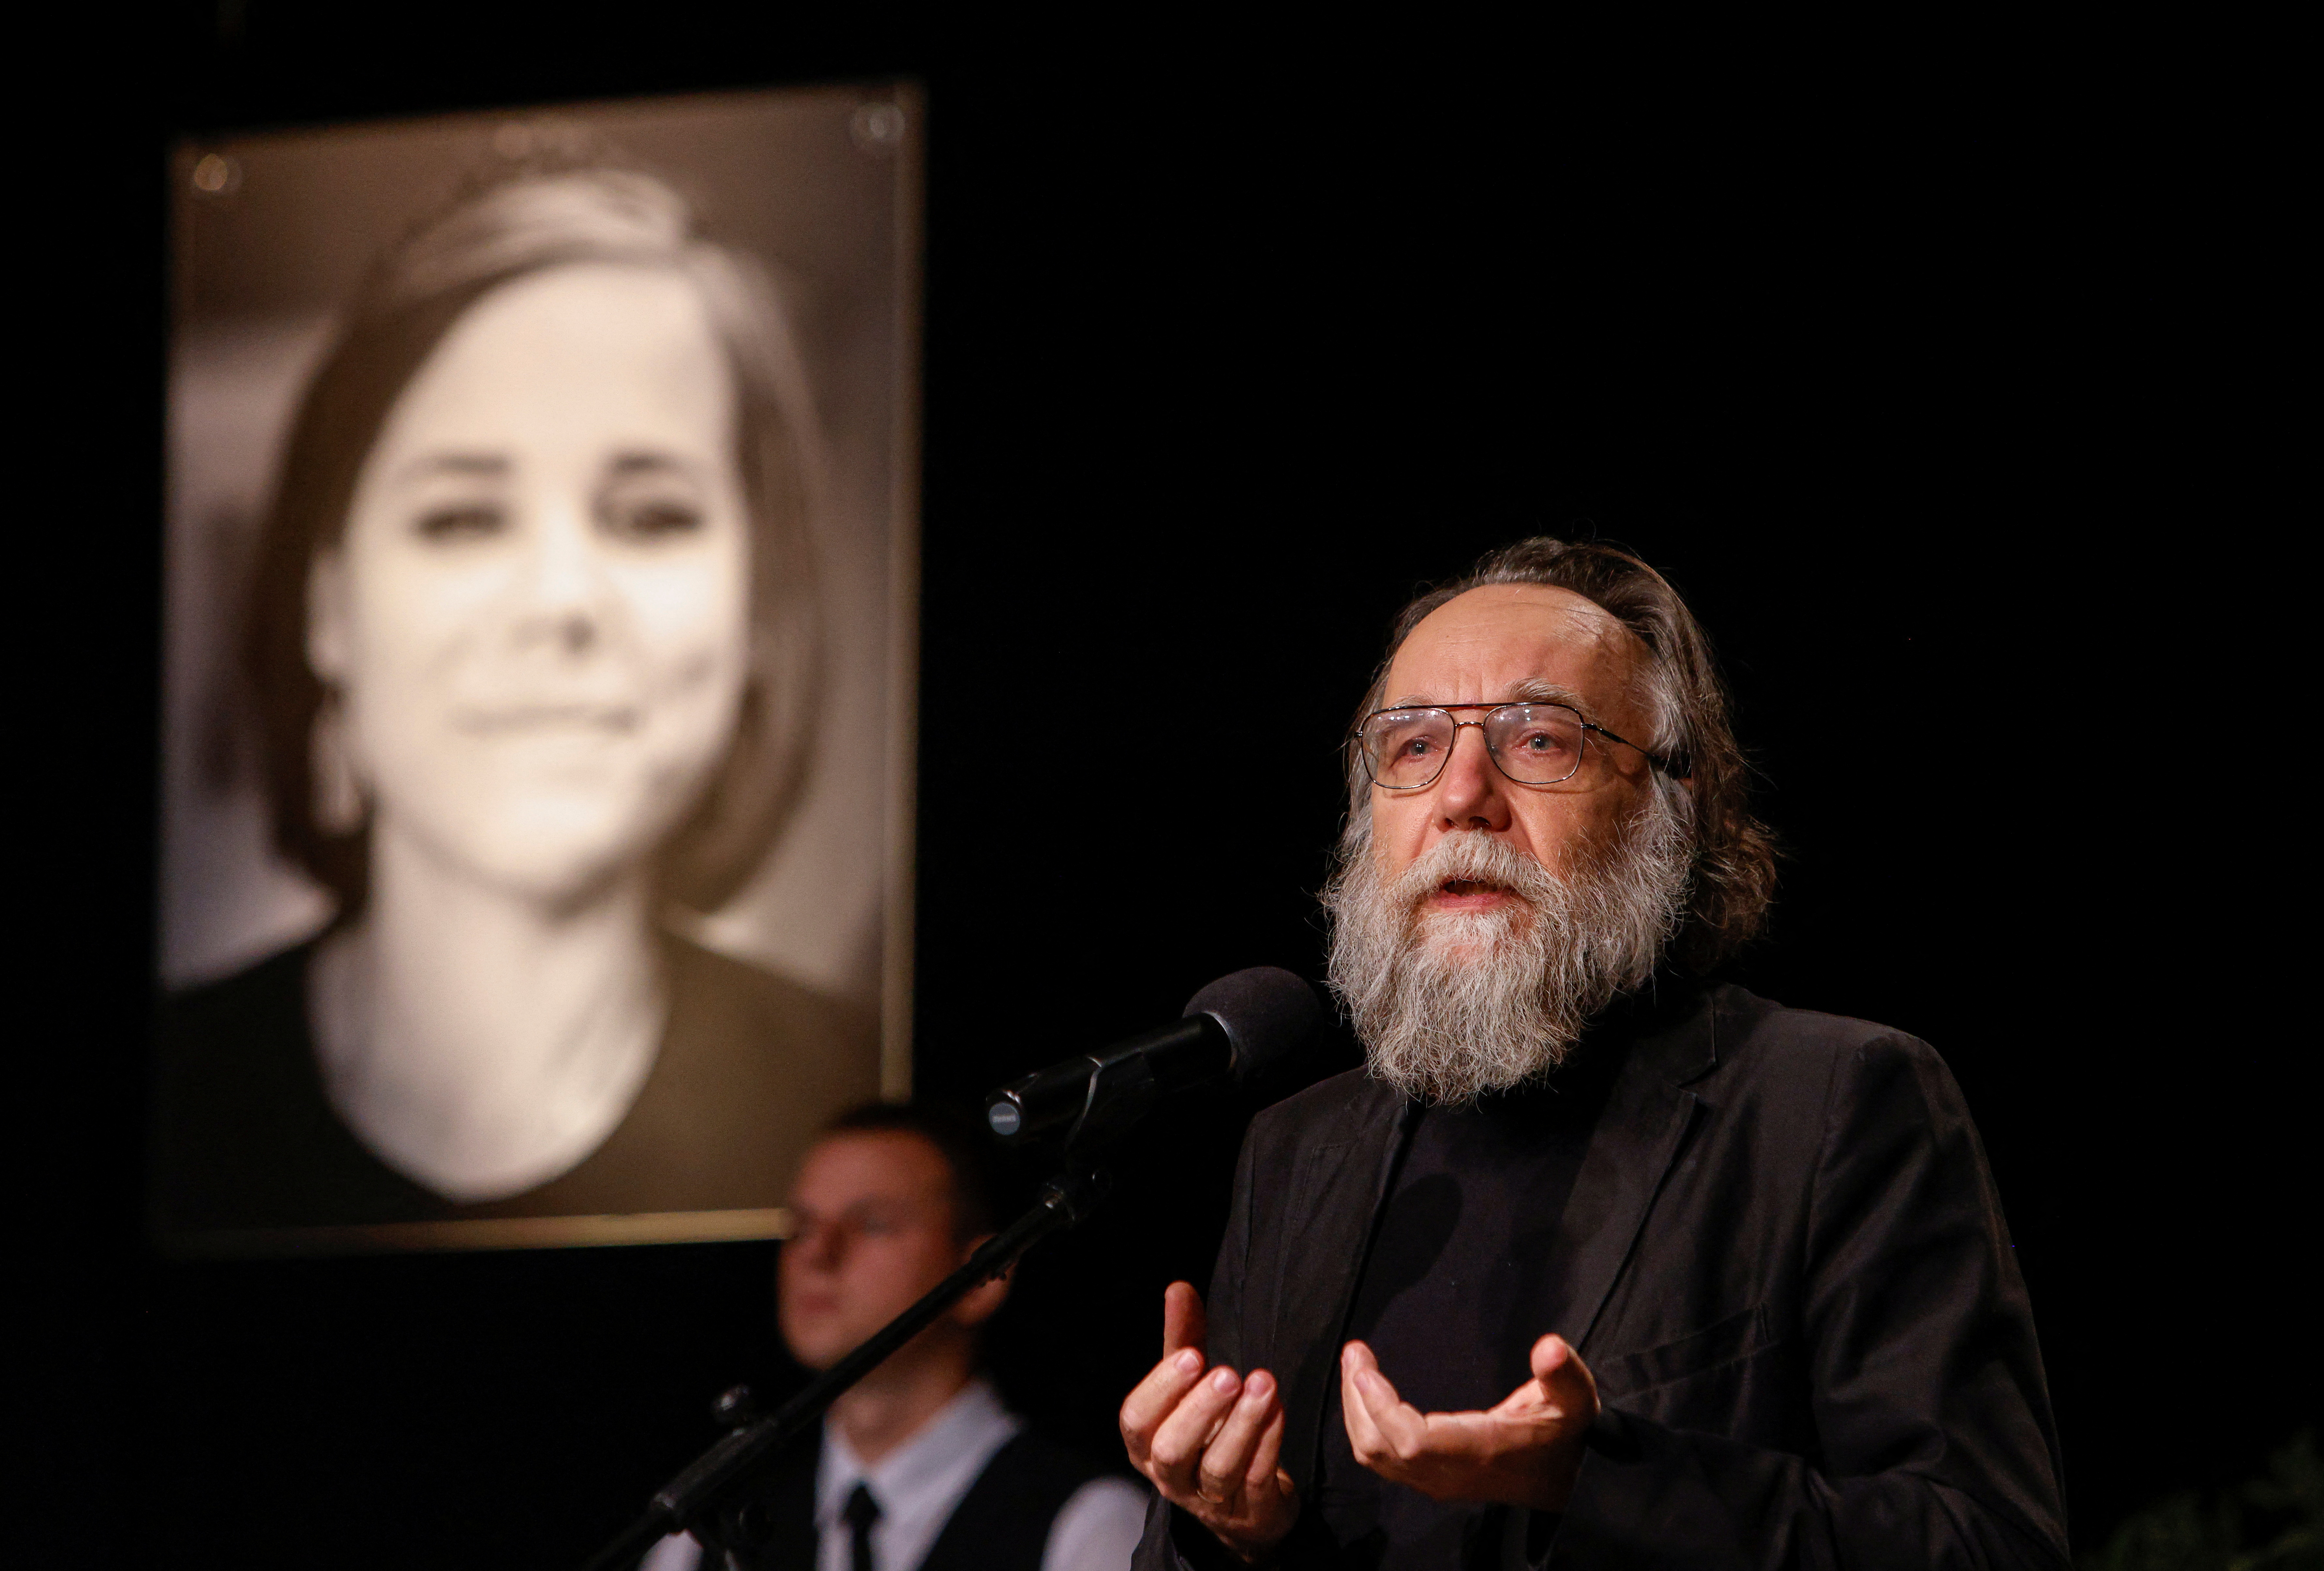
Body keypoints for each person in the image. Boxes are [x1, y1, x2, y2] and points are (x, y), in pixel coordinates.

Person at [1119, 539, 2069, 1568]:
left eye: (1539, 741)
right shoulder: (1296, 1149)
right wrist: (1228, 1533)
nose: (1462, 796)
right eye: (1413, 747)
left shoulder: (1833, 1102)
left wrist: (1597, 1479)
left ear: (1670, 802)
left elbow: (1989, 1544)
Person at [155, 152, 877, 1238]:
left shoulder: (869, 1092)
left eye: (650, 516)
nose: (559, 600)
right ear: (328, 602)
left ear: (760, 611)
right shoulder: (165, 1096)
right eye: (462, 518)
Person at [643, 1104, 1150, 1571]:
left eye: (874, 1223)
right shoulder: (701, 1540)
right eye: (801, 1226)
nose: (817, 1254)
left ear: (983, 1278)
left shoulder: (1090, 1529)